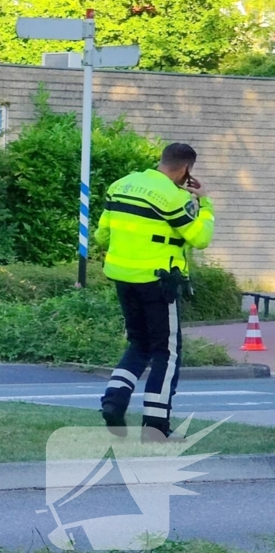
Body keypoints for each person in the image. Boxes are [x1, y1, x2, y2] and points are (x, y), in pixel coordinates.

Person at [94, 143, 215, 441]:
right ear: (186, 170)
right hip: (159, 283)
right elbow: (199, 238)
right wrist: (206, 204)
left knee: (139, 344)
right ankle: (155, 428)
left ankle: (114, 400)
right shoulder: (175, 198)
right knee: (167, 352)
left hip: (123, 278)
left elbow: (102, 234)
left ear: (161, 161)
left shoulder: (120, 186)